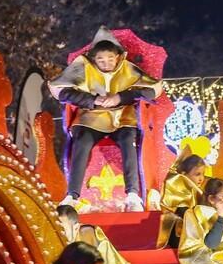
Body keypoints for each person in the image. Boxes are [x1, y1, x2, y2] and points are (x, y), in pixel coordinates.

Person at [50, 26, 163, 212]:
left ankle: (133, 195)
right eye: (101, 59)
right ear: (94, 58)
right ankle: (72, 196)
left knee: (129, 141)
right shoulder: (83, 67)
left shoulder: (128, 69)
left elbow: (152, 89)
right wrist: (92, 100)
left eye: (110, 58)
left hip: (122, 119)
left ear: (117, 56)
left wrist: (121, 97)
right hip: (90, 118)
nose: (106, 63)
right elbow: (60, 91)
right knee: (82, 141)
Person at [157, 154, 206, 248]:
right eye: (197, 174)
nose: (201, 178)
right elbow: (182, 211)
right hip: (178, 230)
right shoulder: (177, 189)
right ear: (184, 175)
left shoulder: (197, 189)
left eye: (203, 174)